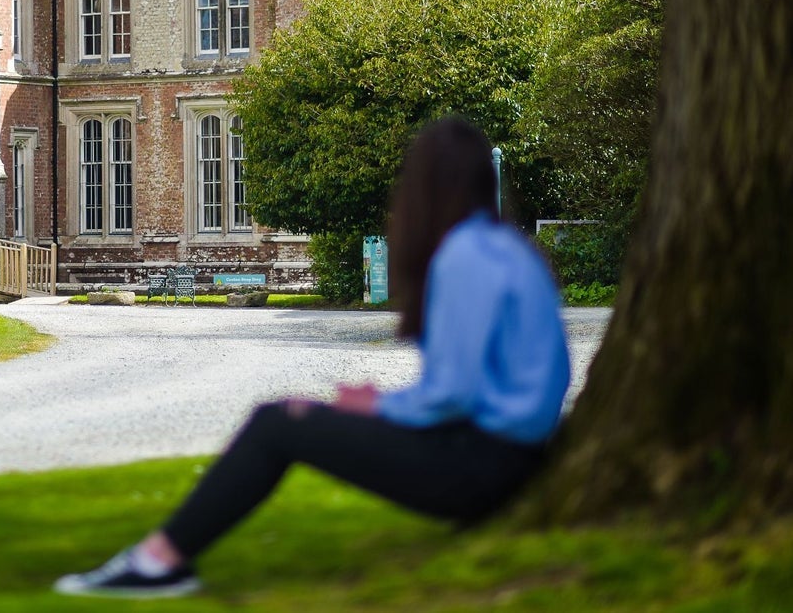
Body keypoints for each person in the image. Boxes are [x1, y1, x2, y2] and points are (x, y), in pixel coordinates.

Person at [55, 116, 571, 599]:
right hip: (513, 455)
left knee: (279, 423)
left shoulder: (465, 254)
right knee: (292, 420)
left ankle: (158, 561)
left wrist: (374, 408)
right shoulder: (512, 249)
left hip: (478, 465)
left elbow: (453, 393)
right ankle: (158, 558)